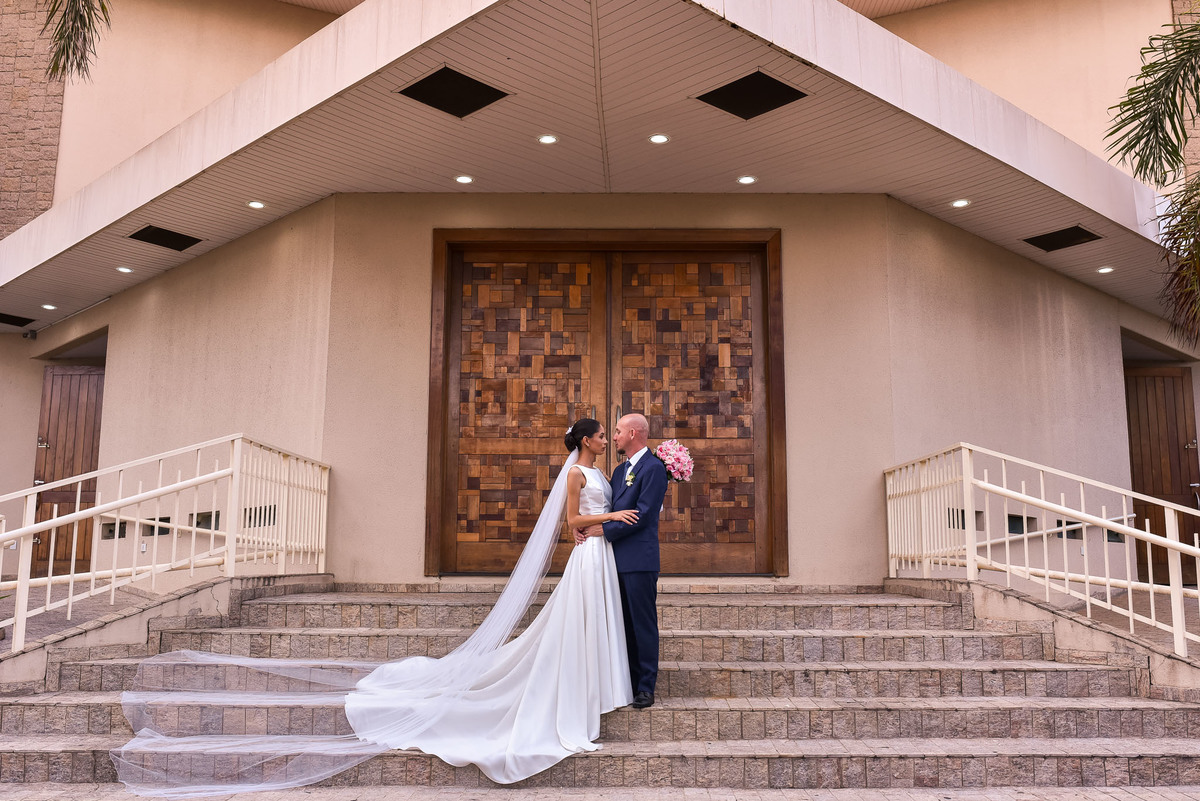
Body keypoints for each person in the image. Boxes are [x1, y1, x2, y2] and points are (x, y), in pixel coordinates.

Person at [113, 418, 638, 795]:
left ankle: (596, 681)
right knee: (572, 625)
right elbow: (571, 523)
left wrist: (609, 521)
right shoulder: (575, 475)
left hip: (600, 557)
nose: (605, 439)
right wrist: (611, 520)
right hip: (589, 554)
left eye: (608, 434)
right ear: (586, 440)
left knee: (592, 624)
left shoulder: (605, 475)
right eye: (600, 434)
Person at [576, 413, 668, 709]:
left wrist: (603, 530)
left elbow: (643, 515)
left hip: (639, 560)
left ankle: (645, 687)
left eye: (617, 431)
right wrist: (586, 527)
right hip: (611, 560)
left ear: (632, 434)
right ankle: (626, 682)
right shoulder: (618, 472)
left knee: (642, 623)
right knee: (622, 624)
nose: (613, 437)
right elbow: (608, 508)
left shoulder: (654, 468)